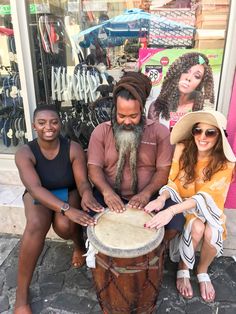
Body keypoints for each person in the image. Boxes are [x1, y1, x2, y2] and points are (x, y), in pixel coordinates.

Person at [14, 105, 103, 314]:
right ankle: (21, 294)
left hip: (68, 189)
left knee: (65, 225)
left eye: (54, 122)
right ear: (34, 126)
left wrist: (87, 193)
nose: (49, 127)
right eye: (42, 122)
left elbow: (81, 182)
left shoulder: (72, 148)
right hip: (40, 193)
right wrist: (66, 208)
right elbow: (35, 189)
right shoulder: (24, 153)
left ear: (60, 123)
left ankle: (79, 245)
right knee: (36, 225)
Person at [144, 110, 236, 302]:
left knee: (212, 232)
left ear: (220, 136)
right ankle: (184, 268)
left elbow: (208, 197)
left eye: (210, 132)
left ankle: (202, 271)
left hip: (209, 207)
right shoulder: (183, 148)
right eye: (198, 130)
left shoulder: (226, 163)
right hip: (184, 204)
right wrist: (162, 199)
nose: (202, 137)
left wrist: (170, 211)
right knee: (197, 227)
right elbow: (173, 182)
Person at [87, 71, 185, 241]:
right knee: (88, 220)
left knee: (175, 222)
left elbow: (163, 170)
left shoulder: (159, 132)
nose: (126, 121)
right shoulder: (101, 131)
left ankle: (153, 258)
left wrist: (146, 193)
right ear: (114, 110)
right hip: (108, 195)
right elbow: (93, 167)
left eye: (133, 116)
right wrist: (107, 193)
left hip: (150, 196)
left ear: (142, 109)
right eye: (121, 115)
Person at [148, 52, 215, 128]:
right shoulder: (157, 106)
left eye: (197, 76)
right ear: (177, 72)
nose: (188, 78)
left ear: (201, 83)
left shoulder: (202, 110)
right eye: (186, 71)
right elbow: (153, 136)